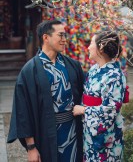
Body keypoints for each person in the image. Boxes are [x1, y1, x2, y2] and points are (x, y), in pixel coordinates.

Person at [7, 19, 85, 162]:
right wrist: (31, 148)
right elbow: (23, 111)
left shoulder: (73, 65)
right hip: (45, 134)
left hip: (73, 132)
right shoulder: (29, 71)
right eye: (60, 35)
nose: (64, 40)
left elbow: (86, 95)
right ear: (46, 37)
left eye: (65, 35)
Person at [73, 31, 127, 162]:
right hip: (90, 132)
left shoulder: (114, 75)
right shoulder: (94, 69)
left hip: (106, 137)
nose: (88, 47)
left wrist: (83, 110)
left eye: (91, 43)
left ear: (101, 47)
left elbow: (111, 110)